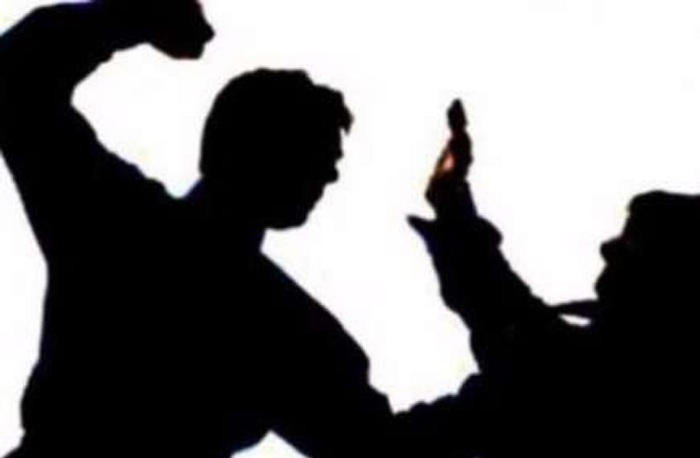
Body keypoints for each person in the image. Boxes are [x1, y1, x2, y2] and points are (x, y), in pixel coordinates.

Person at [0, 2, 501, 457]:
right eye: (314, 152)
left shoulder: (117, 221)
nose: (330, 175)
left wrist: (130, 19)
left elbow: (376, 448)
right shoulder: (126, 227)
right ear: (246, 147)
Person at [410, 100, 700, 457]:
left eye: (633, 242)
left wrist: (453, 210)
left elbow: (533, 342)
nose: (607, 248)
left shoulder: (611, 379)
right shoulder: (604, 364)